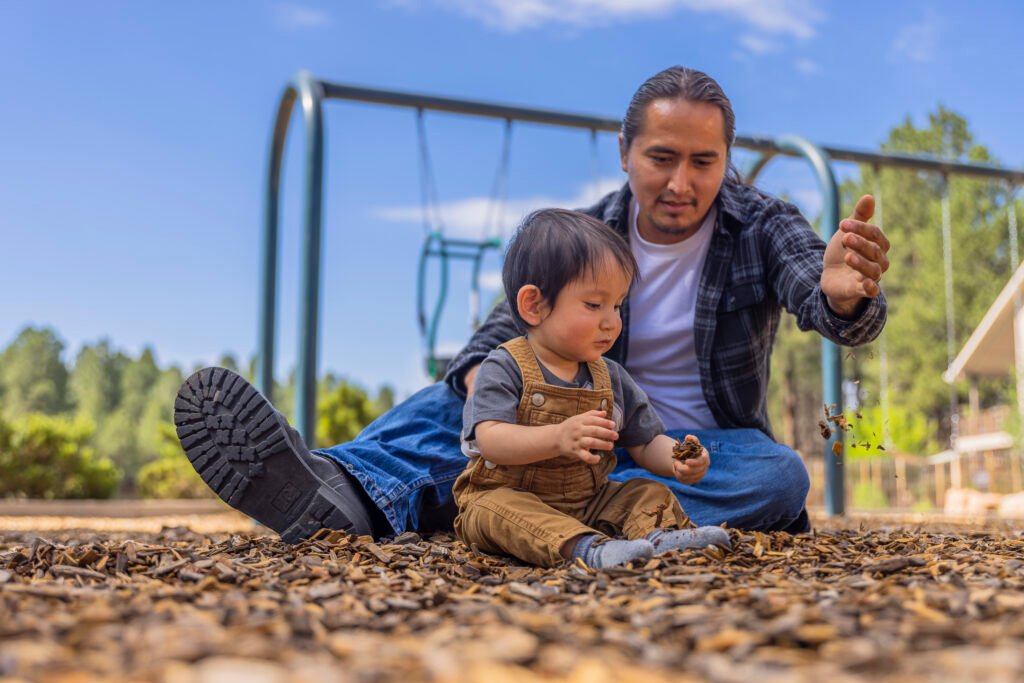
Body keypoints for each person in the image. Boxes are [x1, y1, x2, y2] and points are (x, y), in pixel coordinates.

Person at [174, 65, 890, 543]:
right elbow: (507, 326)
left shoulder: (762, 225)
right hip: (561, 425)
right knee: (456, 396)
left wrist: (841, 296)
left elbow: (818, 288)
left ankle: (504, 503)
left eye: (704, 162)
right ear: (625, 151)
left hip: (695, 454)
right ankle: (341, 489)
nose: (681, 182)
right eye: (661, 158)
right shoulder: (587, 235)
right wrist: (481, 380)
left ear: (726, 160)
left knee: (779, 475)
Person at [453, 208, 730, 568]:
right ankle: (587, 549)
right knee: (495, 510)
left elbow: (645, 443)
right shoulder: (504, 367)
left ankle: (660, 536)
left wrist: (678, 459)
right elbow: (491, 439)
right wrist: (557, 437)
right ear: (534, 305)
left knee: (645, 490)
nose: (611, 321)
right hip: (508, 496)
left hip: (588, 501)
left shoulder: (610, 377)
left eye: (617, 306)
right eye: (594, 305)